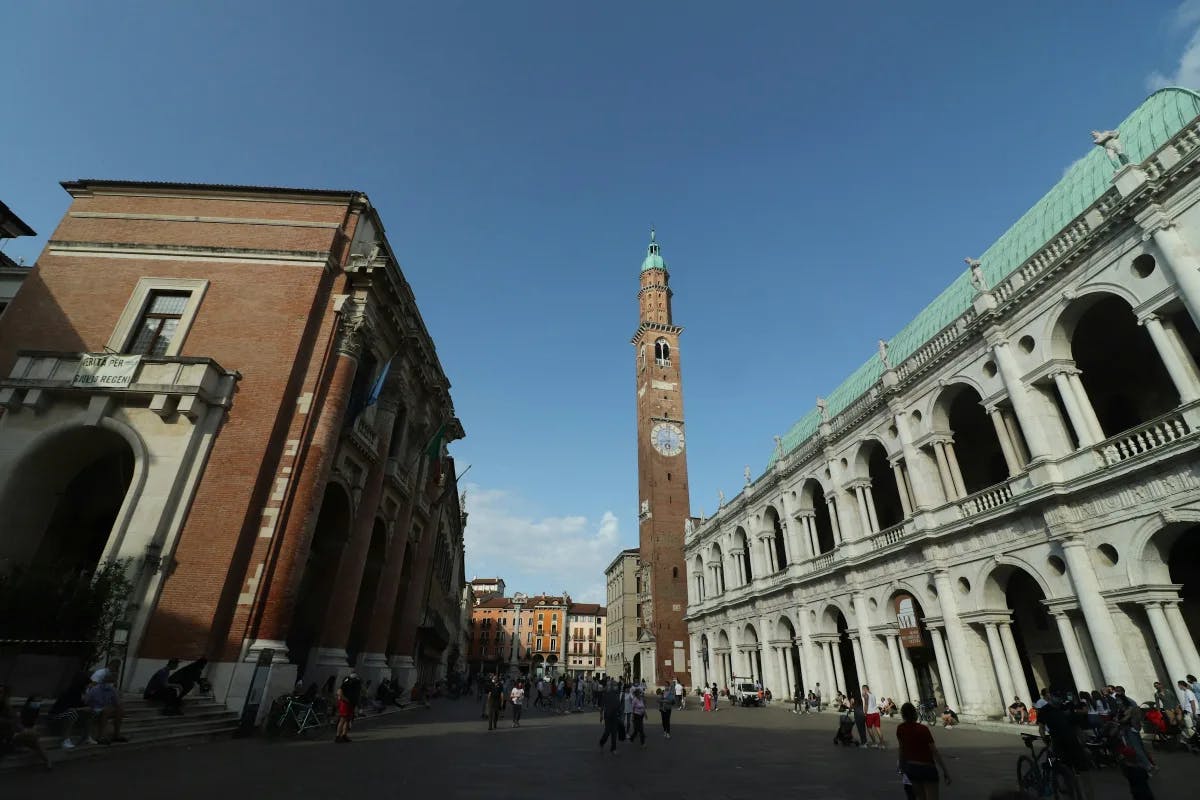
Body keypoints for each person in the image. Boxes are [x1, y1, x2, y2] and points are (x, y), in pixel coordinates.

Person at [1037, 693, 1095, 800]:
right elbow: (1041, 727)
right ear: (1050, 695)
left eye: (1060, 697)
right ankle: (1069, 791)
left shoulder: (1067, 707)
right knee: (1064, 769)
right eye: (1057, 696)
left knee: (1083, 770)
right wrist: (1045, 738)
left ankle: (1088, 795)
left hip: (1073, 741)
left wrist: (1082, 739)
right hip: (1058, 742)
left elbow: (1076, 725)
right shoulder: (1045, 710)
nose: (1059, 699)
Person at [895, 701, 950, 800]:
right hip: (927, 767)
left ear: (903, 715)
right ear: (914, 714)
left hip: (912, 768)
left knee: (921, 797)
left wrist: (901, 767)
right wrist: (945, 771)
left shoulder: (900, 728)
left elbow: (901, 749)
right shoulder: (923, 729)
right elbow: (934, 751)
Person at [0, 685, 52, 769]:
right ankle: (47, 761)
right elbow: (11, 722)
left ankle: (48, 761)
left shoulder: (7, 706)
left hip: (13, 734)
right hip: (6, 737)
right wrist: (22, 729)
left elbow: (16, 722)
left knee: (34, 740)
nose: (1, 695)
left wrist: (22, 729)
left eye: (3, 693)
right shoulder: (11, 708)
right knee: (33, 736)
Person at [48, 670, 93, 750]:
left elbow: (81, 706)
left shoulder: (81, 693)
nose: (88, 687)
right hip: (57, 716)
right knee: (72, 713)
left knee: (90, 712)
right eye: (87, 685)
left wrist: (86, 707)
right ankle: (65, 740)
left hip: (71, 715)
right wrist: (82, 708)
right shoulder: (71, 692)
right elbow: (68, 708)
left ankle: (86, 737)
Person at [85, 668, 127, 744]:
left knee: (119, 710)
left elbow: (116, 703)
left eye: (111, 682)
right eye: (109, 682)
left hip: (106, 709)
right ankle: (101, 736)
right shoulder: (95, 689)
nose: (110, 684)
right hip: (95, 708)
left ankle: (116, 735)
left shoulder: (112, 690)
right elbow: (88, 701)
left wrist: (119, 704)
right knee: (106, 710)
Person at [334, 671, 362, 743]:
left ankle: (344, 735)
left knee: (348, 720)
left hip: (351, 703)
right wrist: (342, 698)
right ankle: (338, 736)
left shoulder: (356, 682)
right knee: (343, 719)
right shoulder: (347, 682)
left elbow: (357, 694)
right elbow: (339, 691)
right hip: (346, 703)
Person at [598, 680, 623, 754]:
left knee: (614, 732)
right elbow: (602, 705)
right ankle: (601, 742)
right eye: (614, 685)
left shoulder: (617, 694)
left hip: (615, 715)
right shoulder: (606, 694)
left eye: (616, 685)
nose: (616, 686)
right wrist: (601, 715)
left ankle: (613, 748)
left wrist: (620, 713)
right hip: (608, 715)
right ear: (611, 686)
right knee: (607, 731)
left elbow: (618, 705)